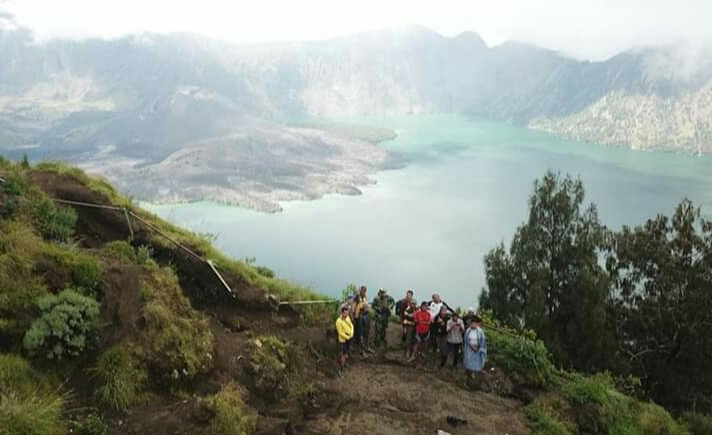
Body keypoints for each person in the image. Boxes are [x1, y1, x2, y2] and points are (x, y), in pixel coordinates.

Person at [463, 314, 487, 379]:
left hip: (477, 351)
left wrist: (478, 348)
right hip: (469, 350)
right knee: (469, 364)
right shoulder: (468, 331)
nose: (473, 325)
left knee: (477, 365)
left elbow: (483, 341)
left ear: (477, 324)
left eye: (475, 323)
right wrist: (471, 346)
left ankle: (476, 377)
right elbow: (466, 340)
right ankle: (469, 376)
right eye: (472, 323)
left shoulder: (480, 332)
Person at [354, 286, 374, 355]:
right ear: (360, 291)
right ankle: (361, 350)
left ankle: (366, 347)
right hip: (360, 316)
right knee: (360, 333)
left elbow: (366, 305)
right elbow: (356, 306)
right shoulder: (357, 297)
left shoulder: (365, 297)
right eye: (363, 291)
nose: (364, 292)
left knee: (366, 331)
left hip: (366, 315)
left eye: (365, 291)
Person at [335, 306, 354, 378]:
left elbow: (351, 325)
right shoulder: (338, 321)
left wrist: (351, 333)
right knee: (343, 355)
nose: (346, 315)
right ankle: (340, 370)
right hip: (342, 340)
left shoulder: (348, 318)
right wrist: (347, 337)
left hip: (348, 339)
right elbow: (340, 332)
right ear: (342, 313)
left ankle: (342, 365)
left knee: (346, 355)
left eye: (347, 313)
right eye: (345, 313)